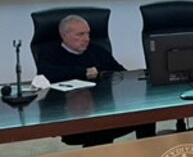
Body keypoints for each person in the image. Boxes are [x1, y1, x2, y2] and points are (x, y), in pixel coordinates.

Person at [38, 14, 155, 146]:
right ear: (64, 36)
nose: (86, 39)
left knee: (147, 113)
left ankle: (148, 151)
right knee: (99, 129)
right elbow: (45, 75)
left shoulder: (97, 51)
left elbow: (121, 72)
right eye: (80, 34)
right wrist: (83, 72)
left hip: (103, 108)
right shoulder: (50, 53)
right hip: (72, 115)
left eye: (88, 34)